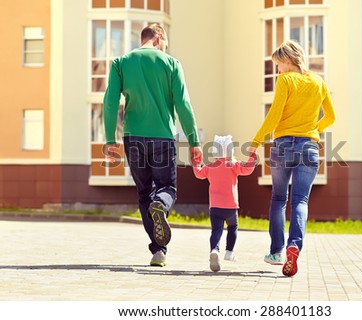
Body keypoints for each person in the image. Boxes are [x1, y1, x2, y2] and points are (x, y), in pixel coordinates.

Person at [103, 24, 203, 267]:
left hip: (132, 137)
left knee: (144, 193)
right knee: (167, 187)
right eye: (165, 43)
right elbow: (183, 105)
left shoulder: (120, 63)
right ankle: (161, 212)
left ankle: (159, 250)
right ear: (159, 37)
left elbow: (110, 102)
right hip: (162, 137)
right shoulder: (171, 63)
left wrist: (109, 139)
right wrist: (194, 141)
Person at [250, 40, 336, 277]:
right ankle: (294, 246)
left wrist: (256, 142)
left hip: (283, 145)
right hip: (309, 146)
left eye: (278, 64)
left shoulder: (286, 80)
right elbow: (331, 116)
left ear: (288, 60)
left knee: (278, 198)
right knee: (300, 201)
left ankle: (277, 251)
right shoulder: (318, 82)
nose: (278, 70)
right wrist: (315, 130)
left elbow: (274, 115)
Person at [193, 135, 256, 272]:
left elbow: (198, 173)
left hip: (215, 207)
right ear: (230, 151)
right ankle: (229, 252)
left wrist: (197, 161)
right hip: (231, 206)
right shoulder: (233, 165)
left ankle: (214, 250)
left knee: (216, 230)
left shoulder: (210, 167)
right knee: (233, 227)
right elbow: (248, 170)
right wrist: (252, 156)